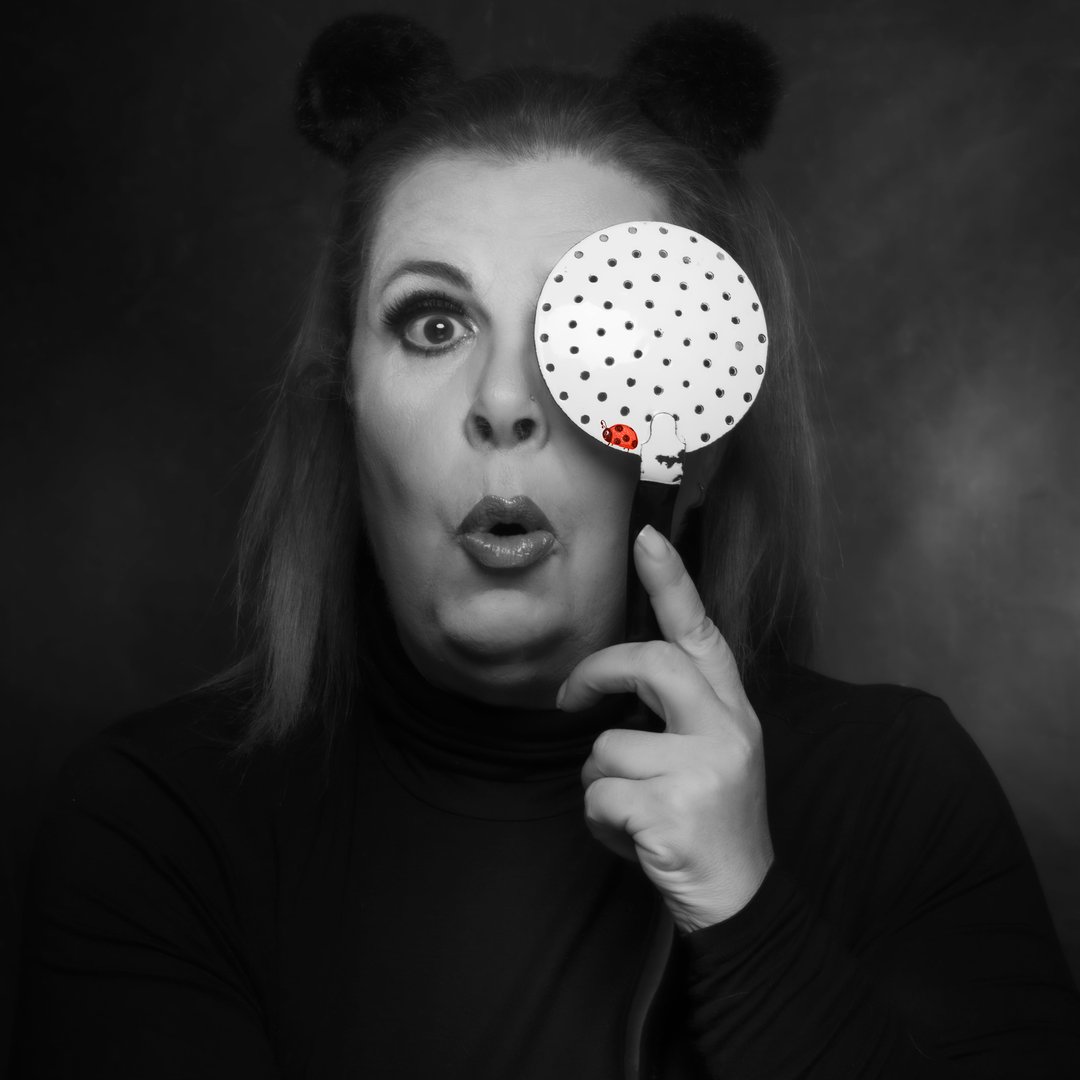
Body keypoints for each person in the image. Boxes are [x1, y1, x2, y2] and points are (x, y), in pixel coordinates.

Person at [11, 13, 1080, 1079]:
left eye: (602, 330)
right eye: (435, 324)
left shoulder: (896, 792)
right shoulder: (157, 826)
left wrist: (750, 921)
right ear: (345, 405)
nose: (506, 401)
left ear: (697, 438)